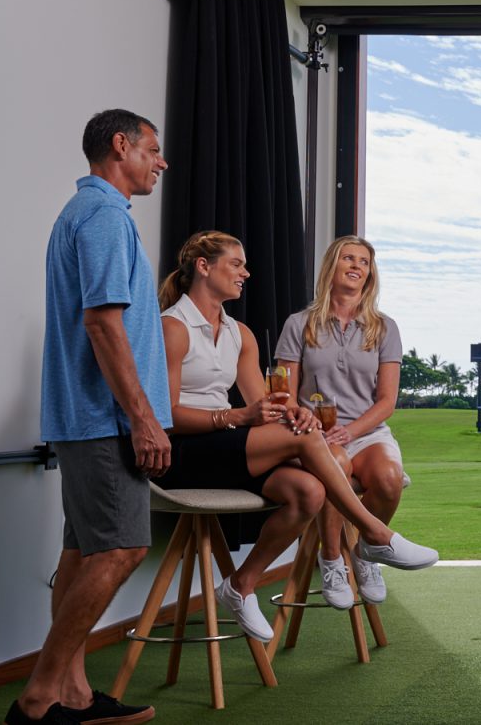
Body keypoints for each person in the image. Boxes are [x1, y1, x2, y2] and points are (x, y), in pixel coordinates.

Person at [155, 231, 438, 642]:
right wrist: (238, 416)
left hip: (227, 447)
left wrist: (296, 414)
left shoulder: (240, 334)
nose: (246, 273)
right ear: (204, 267)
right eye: (236, 264)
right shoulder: (173, 327)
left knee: (309, 491)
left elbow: (270, 403)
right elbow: (166, 418)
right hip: (184, 451)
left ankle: (239, 586)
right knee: (311, 442)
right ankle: (376, 535)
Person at [14, 109, 171, 725]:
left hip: (83, 419)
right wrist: (144, 418)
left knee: (82, 555)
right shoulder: (104, 216)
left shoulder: (79, 214)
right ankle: (37, 696)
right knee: (124, 549)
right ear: (120, 146)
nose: (161, 162)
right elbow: (104, 323)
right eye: (153, 150)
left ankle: (73, 695)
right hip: (103, 421)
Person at [276, 236, 411, 609]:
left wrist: (351, 430)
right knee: (335, 464)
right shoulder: (298, 324)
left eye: (364, 262)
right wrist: (304, 420)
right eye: (348, 258)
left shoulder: (384, 328)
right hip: (315, 435)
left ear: (370, 274)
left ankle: (367, 555)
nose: (356, 266)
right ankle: (332, 558)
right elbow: (284, 393)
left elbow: (386, 402)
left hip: (366, 432)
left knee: (388, 478)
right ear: (331, 267)